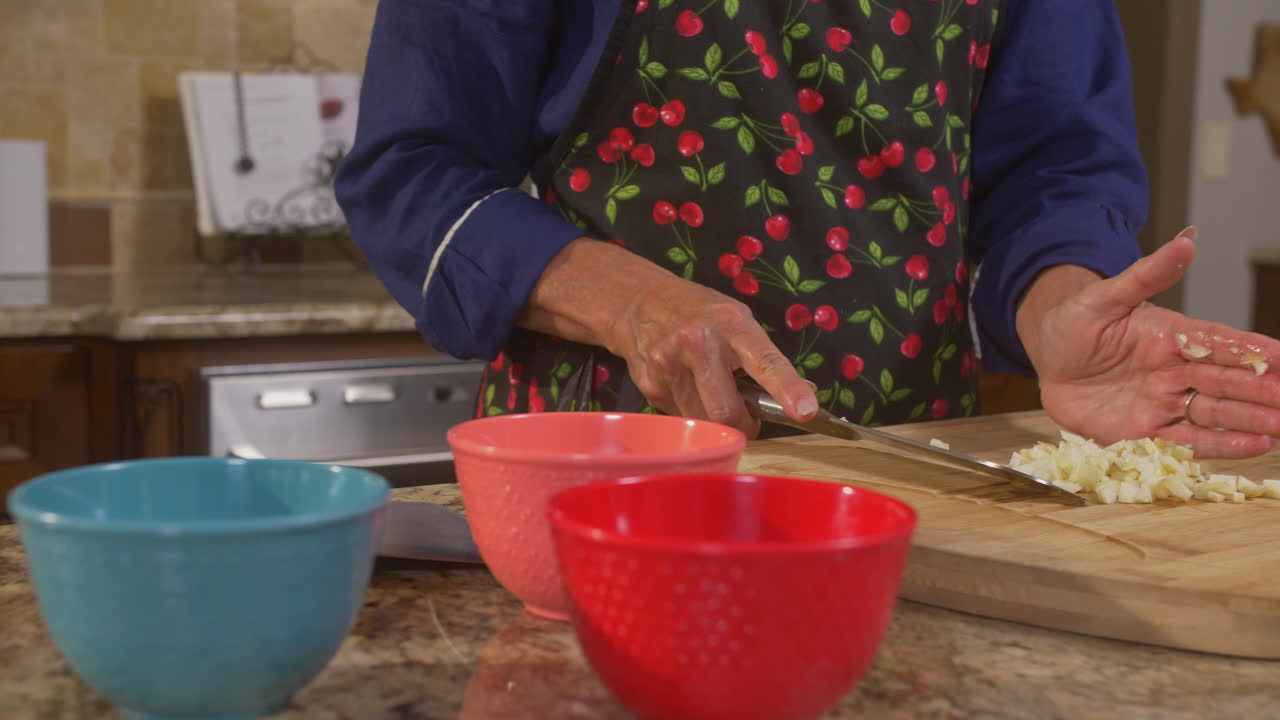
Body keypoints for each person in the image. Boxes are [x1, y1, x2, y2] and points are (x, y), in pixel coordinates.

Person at [336, 0, 1280, 458]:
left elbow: (1053, 168)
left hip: (912, 479)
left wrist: (1062, 310)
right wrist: (637, 308)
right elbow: (413, 170)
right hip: (600, 471)